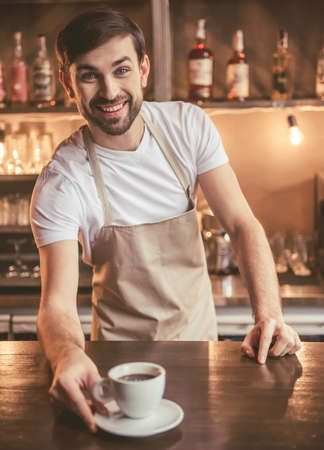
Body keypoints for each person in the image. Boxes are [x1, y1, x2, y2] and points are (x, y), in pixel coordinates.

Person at [30, 7, 302, 433]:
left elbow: (242, 224)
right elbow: (57, 305)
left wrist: (268, 314)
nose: (109, 90)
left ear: (143, 69)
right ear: (67, 82)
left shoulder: (187, 126)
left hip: (202, 352)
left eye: (121, 70)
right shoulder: (63, 180)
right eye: (89, 75)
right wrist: (66, 354)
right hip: (117, 372)